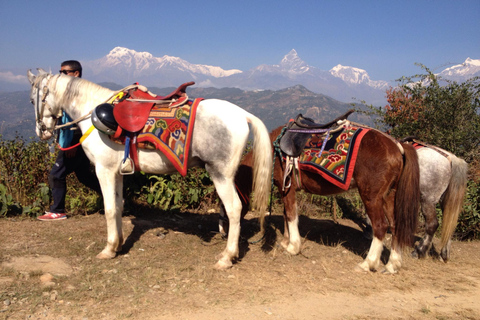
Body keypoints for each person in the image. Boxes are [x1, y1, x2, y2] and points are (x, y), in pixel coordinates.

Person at [37, 60, 102, 221]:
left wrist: (72, 144)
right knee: (84, 175)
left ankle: (58, 210)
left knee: (56, 175)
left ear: (76, 73)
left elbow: (81, 121)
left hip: (74, 142)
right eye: (60, 72)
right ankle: (117, 198)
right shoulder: (70, 92)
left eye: (64, 72)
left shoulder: (80, 94)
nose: (61, 75)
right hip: (73, 141)